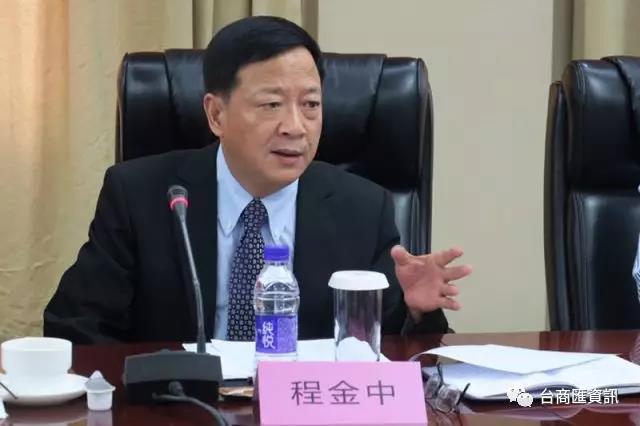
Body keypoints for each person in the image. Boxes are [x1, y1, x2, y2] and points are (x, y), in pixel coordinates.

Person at [43, 16, 472, 344]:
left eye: (311, 105)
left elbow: (394, 353)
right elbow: (75, 328)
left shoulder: (363, 208)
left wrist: (417, 312)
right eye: (271, 105)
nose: (295, 127)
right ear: (216, 114)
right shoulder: (140, 195)